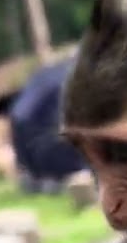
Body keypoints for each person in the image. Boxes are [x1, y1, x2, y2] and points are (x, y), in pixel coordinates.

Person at [9, 55, 88, 194]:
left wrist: (25, 163)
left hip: (40, 146)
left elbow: (19, 115)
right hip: (57, 142)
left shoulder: (50, 73)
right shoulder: (81, 75)